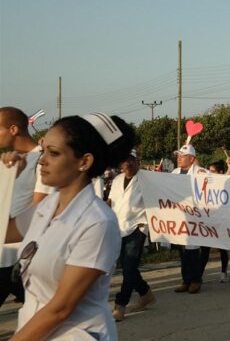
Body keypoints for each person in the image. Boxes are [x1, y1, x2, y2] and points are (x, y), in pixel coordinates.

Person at [3, 112, 135, 339]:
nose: (42, 160)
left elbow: (61, 309)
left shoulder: (97, 223)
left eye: (53, 153)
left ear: (84, 161)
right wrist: (6, 179)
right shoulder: (46, 208)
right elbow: (4, 232)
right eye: (43, 151)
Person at [0, 107, 53, 308]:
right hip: (5, 248)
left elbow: (40, 208)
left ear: (13, 129)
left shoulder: (42, 160)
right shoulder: (11, 161)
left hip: (19, 253)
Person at [108, 150, 155, 321]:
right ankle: (145, 293)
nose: (128, 163)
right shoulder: (117, 180)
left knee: (128, 267)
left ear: (138, 161)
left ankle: (120, 305)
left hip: (138, 227)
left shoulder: (147, 179)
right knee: (128, 267)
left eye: (131, 160)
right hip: (118, 227)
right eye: (125, 160)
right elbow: (111, 202)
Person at [171, 144, 209, 294]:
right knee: (183, 250)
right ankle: (186, 280)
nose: (179, 158)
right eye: (178, 155)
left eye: (183, 155)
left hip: (195, 216)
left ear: (192, 159)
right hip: (179, 217)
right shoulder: (174, 173)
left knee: (192, 249)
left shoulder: (200, 172)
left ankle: (195, 280)